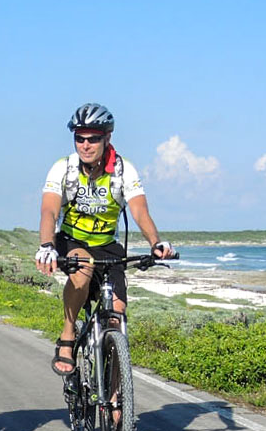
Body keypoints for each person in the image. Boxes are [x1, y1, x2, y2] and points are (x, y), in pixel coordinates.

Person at [36, 102, 174, 375]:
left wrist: (155, 242)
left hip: (108, 245)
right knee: (83, 267)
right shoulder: (64, 169)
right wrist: (47, 245)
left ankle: (114, 398)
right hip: (71, 240)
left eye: (93, 139)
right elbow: (49, 210)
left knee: (118, 313)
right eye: (80, 138)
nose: (85, 145)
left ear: (107, 138)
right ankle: (67, 336)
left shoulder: (124, 171)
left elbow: (140, 211)